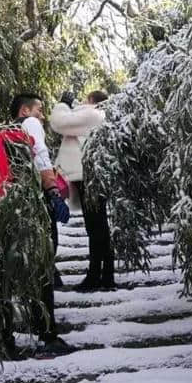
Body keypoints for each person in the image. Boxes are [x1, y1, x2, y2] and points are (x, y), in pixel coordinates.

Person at [7, 92, 71, 357]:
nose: (42, 116)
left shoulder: (10, 132)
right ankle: (47, 332)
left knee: (32, 269)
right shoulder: (30, 125)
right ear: (25, 111)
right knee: (44, 266)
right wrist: (53, 192)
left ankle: (32, 325)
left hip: (19, 205)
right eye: (39, 110)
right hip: (37, 204)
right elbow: (41, 155)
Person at [50, 90, 114, 292]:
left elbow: (59, 123)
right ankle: (105, 275)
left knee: (95, 227)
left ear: (93, 102)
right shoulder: (95, 117)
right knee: (99, 226)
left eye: (86, 99)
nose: (82, 102)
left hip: (88, 177)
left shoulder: (93, 114)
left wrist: (62, 104)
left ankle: (95, 276)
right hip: (90, 176)